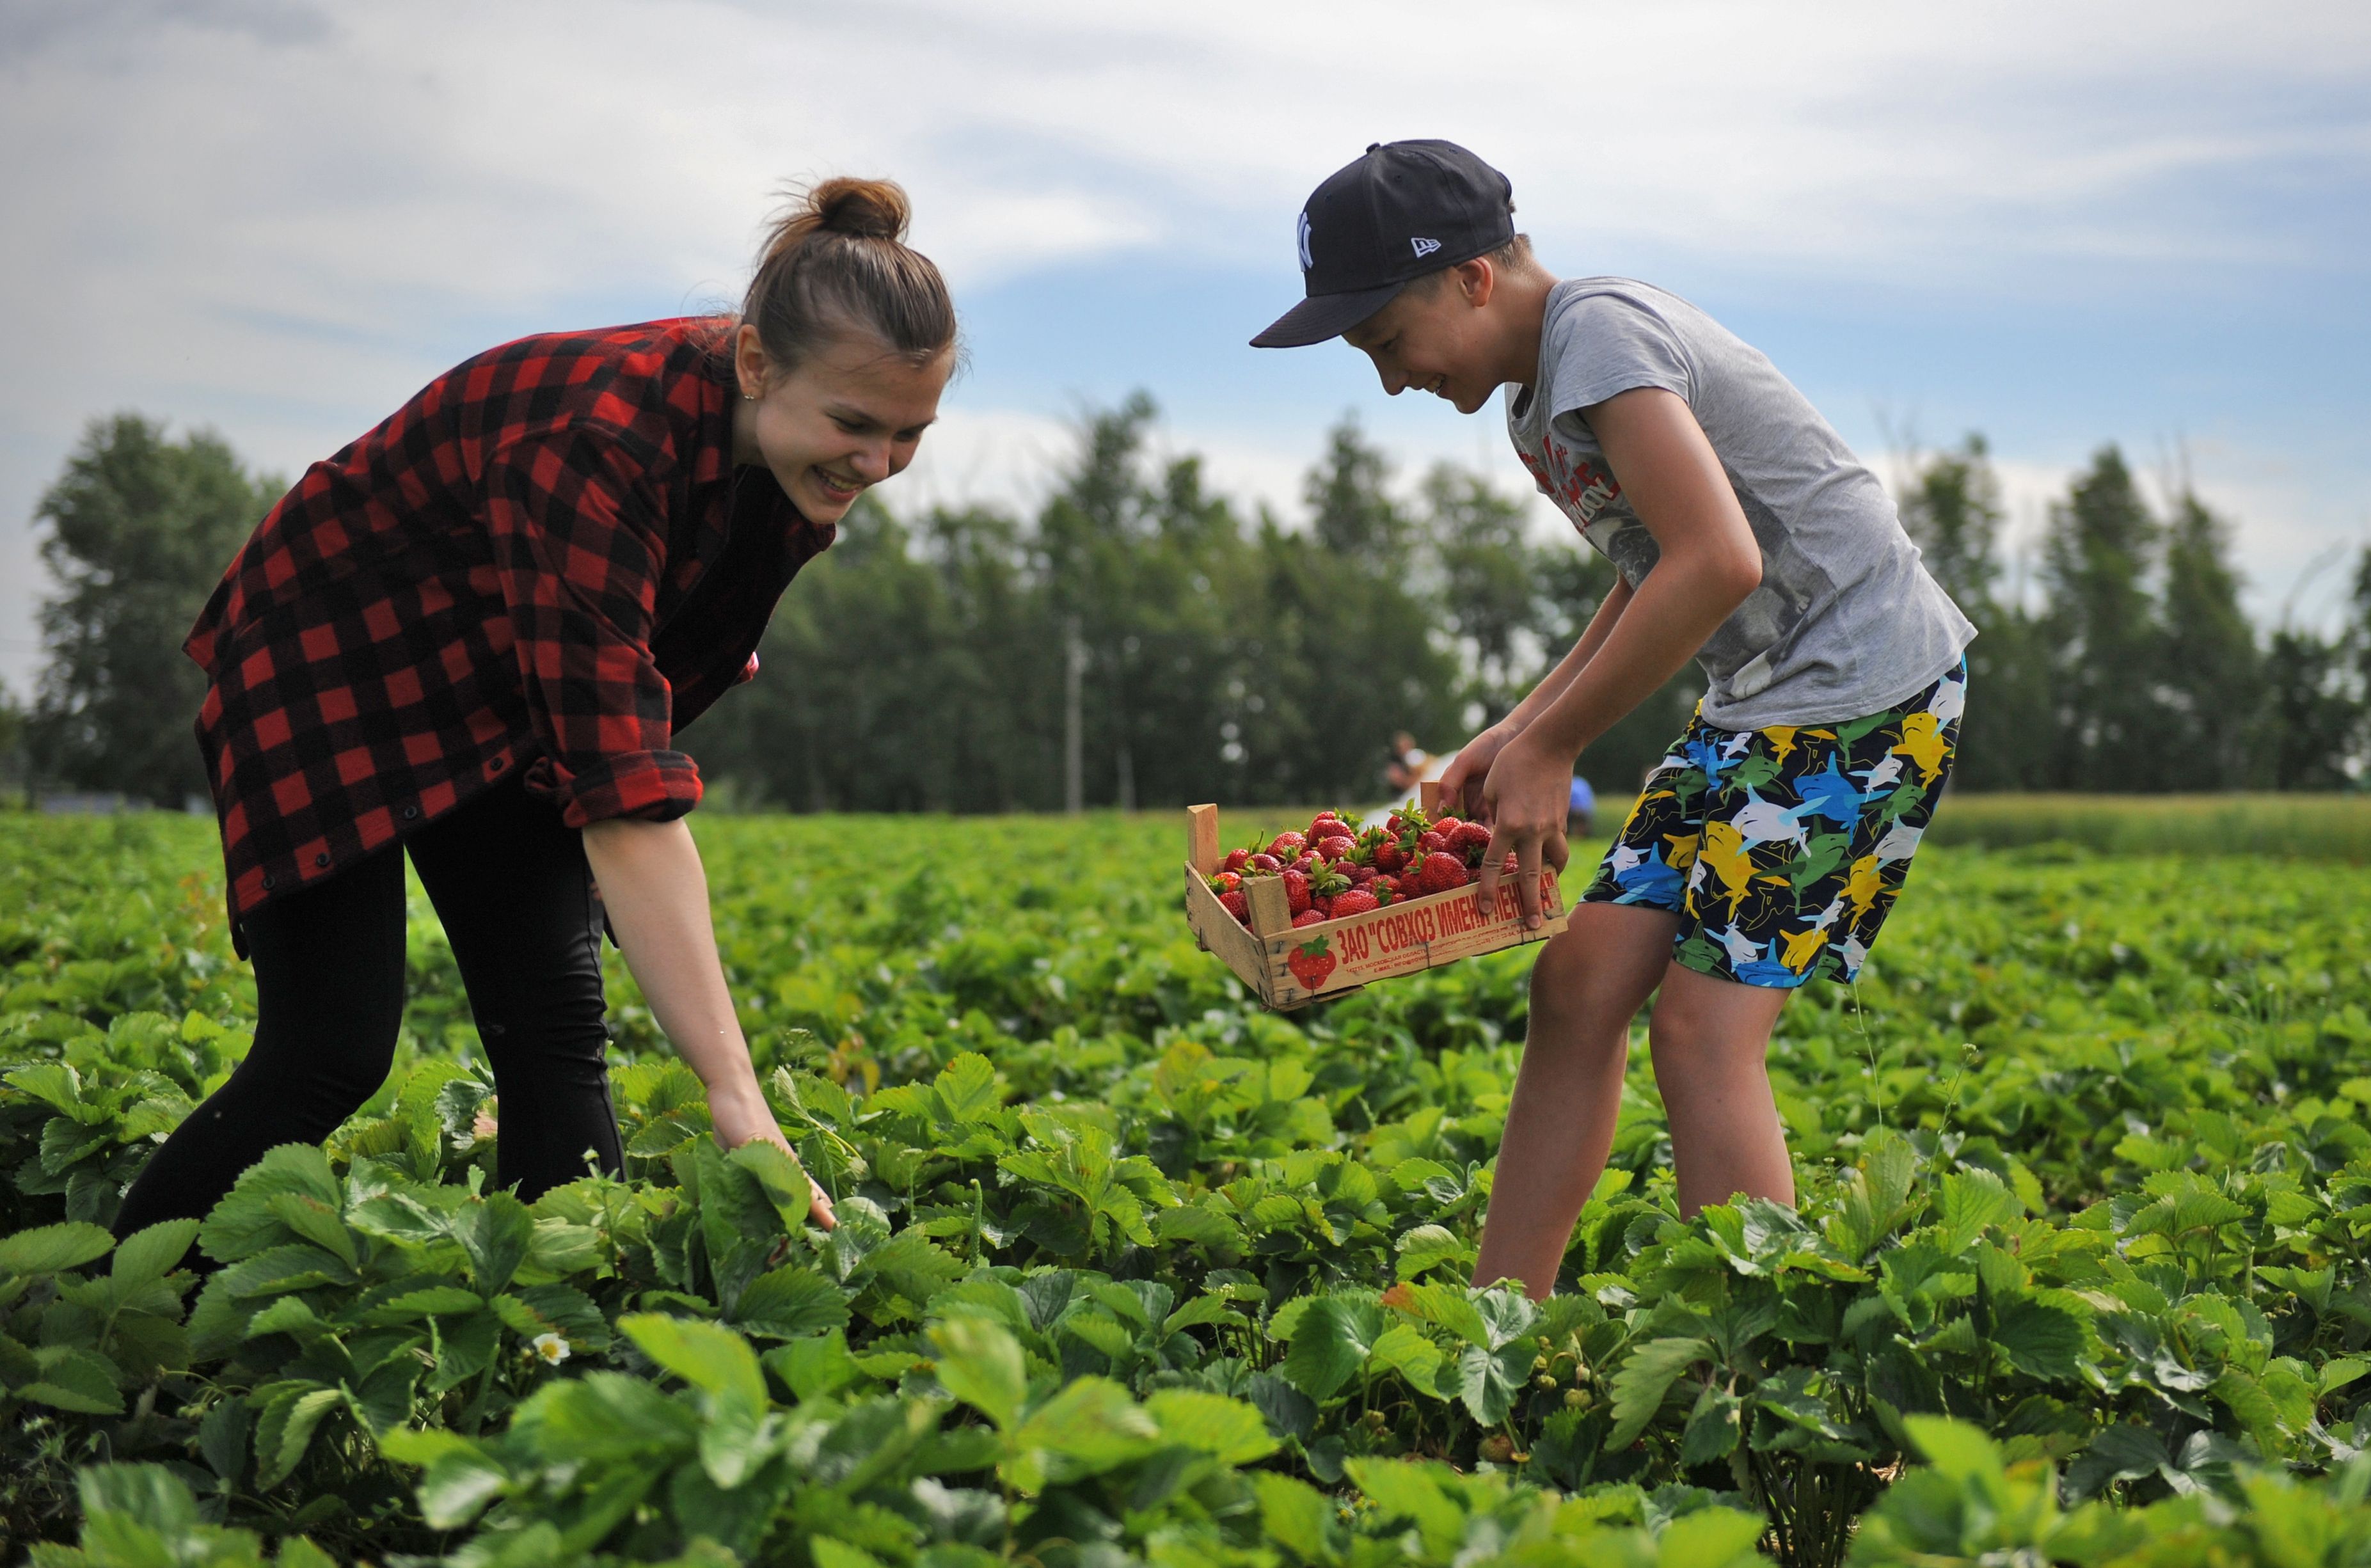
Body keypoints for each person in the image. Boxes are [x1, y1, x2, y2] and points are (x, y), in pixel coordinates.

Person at [114, 178, 960, 1245]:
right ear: (755, 363)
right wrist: (735, 1094)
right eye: (854, 424)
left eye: (908, 435)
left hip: (506, 682)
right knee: (330, 1045)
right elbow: (621, 785)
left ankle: (550, 1347)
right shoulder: (600, 437)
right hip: (332, 663)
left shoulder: (788, 475)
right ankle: (107, 1300)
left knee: (555, 1027)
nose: (878, 463)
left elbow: (642, 693)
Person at [1253, 141, 1972, 1297]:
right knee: (1578, 983)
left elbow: (1719, 561)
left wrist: (1553, 744)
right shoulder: (1537, 401)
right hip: (1761, 707)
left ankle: (1750, 1352)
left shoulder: (1600, 333)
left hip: (1863, 697)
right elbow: (1651, 566)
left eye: (1387, 340)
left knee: (1700, 1034)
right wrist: (1517, 725)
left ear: (1472, 279)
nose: (1389, 380)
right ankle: (1501, 1320)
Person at [1566, 773, 1596, 839]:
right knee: (1582, 823)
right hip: (1586, 810)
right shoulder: (1582, 782)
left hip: (1574, 810)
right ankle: (1581, 837)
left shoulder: (1569, 783)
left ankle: (1572, 837)